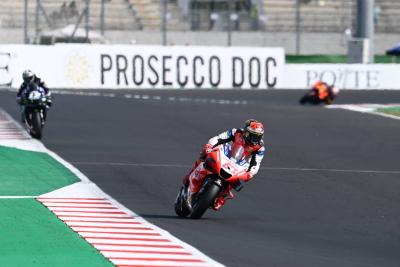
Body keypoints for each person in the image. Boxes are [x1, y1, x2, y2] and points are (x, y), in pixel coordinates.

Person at [183, 119, 265, 210]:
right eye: (253, 135)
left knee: (236, 181)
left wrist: (250, 173)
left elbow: (256, 163)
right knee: (205, 155)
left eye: (258, 137)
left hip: (237, 164)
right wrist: (210, 146)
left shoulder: (260, 148)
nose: (255, 139)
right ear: (246, 133)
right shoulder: (235, 132)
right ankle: (191, 174)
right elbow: (218, 138)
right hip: (225, 154)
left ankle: (222, 196)